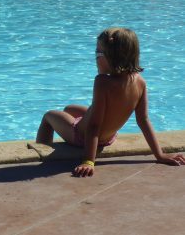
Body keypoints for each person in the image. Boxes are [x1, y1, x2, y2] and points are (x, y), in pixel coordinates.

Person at [36, 27, 185, 177]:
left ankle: (43, 151)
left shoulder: (102, 82)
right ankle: (74, 123)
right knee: (69, 108)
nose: (95, 57)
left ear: (111, 57)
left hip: (81, 136)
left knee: (49, 116)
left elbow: (94, 126)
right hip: (109, 136)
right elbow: (144, 120)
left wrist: (88, 161)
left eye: (97, 53)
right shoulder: (140, 82)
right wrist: (160, 155)